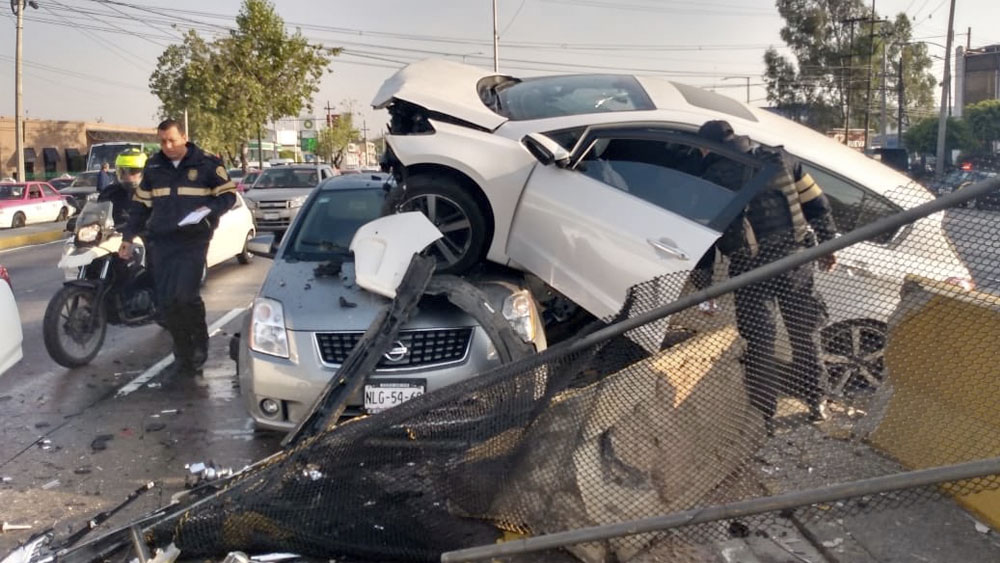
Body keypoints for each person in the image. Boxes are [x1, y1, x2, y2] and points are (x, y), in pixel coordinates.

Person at [693, 120, 838, 428]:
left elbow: (703, 239)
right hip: (795, 262)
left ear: (707, 148)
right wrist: (828, 244)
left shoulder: (709, 180)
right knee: (804, 334)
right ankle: (817, 401)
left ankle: (764, 416)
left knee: (760, 342)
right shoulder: (782, 160)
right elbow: (817, 205)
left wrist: (704, 287)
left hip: (750, 271)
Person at [119, 119, 236, 376]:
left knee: (185, 296)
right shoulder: (154, 166)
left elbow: (228, 195)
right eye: (162, 141)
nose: (167, 145)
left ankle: (199, 344)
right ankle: (183, 354)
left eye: (172, 140)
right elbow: (140, 206)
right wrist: (127, 237)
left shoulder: (206, 164)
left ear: (184, 137)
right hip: (161, 241)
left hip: (193, 240)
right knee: (167, 302)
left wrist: (209, 210)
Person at [98, 149, 146, 226]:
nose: (126, 175)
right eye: (122, 171)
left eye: (133, 171)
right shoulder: (109, 192)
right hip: (111, 234)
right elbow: (96, 214)